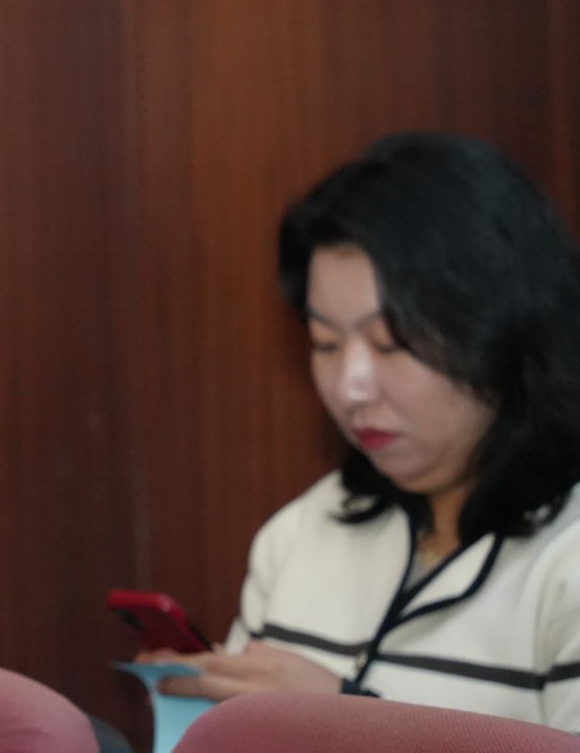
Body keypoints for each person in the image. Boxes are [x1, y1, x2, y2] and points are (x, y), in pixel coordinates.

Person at [142, 133, 580, 730]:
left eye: (390, 342)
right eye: (325, 343)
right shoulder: (304, 532)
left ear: (506, 330)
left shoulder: (565, 555)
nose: (350, 387)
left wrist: (353, 719)